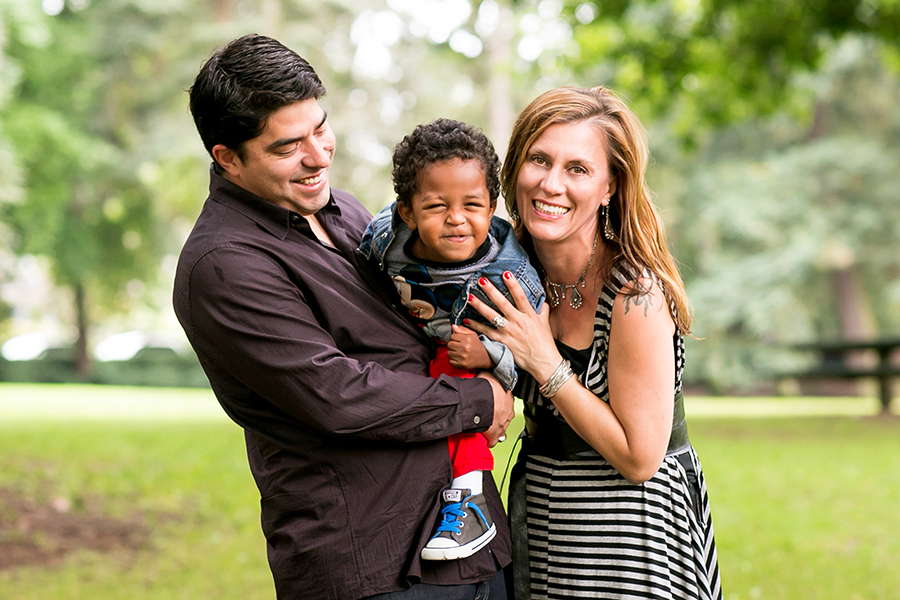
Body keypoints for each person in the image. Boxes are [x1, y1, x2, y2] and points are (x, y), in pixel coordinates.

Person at [173, 34, 515, 600]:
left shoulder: (348, 212)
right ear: (227, 158)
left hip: (470, 543)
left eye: (321, 128)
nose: (318, 155)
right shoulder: (225, 265)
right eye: (287, 147)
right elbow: (338, 395)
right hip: (373, 564)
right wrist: (480, 401)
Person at [463, 86, 723, 599]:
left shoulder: (635, 293)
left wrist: (544, 360)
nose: (551, 184)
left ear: (610, 187)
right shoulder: (508, 271)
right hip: (542, 519)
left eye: (577, 168)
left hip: (632, 535)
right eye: (539, 159)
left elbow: (640, 459)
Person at [358, 118, 544, 562]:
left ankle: (470, 499)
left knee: (456, 378)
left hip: (469, 350)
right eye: (437, 206)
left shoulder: (508, 275)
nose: (457, 219)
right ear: (407, 211)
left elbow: (531, 348)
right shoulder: (388, 237)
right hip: (412, 339)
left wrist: (487, 354)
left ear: (493, 205)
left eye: (473, 205)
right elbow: (364, 271)